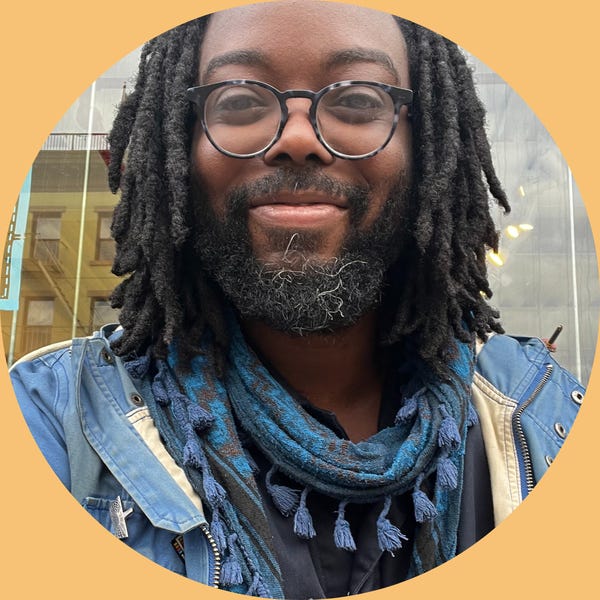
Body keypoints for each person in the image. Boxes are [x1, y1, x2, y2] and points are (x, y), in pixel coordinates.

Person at [10, 2, 583, 597]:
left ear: (429, 146)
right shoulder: (49, 420)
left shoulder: (547, 415)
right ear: (179, 147)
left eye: (358, 100)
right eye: (239, 101)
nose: (298, 139)